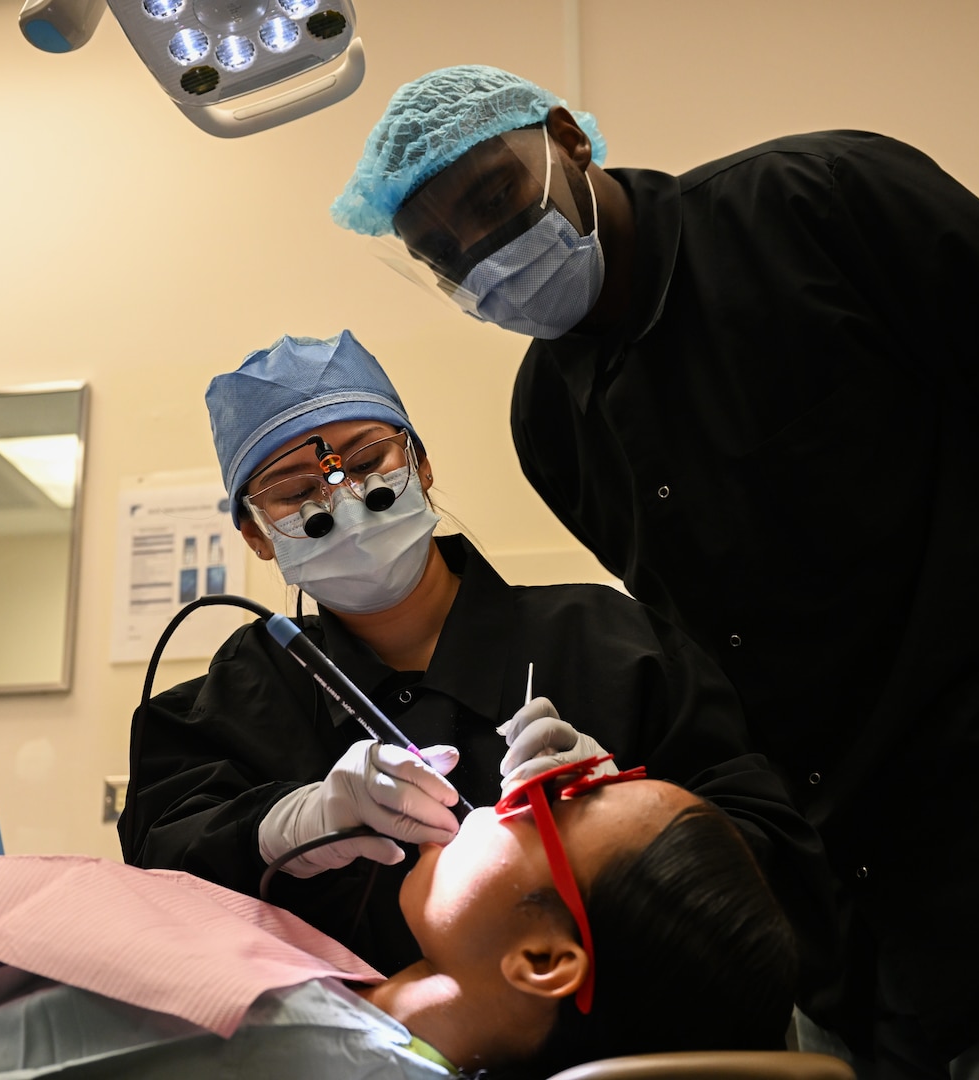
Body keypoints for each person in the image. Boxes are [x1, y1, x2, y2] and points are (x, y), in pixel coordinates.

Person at [330, 64, 979, 1079]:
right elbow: (721, 659)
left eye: (495, 202)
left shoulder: (818, 205)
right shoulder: (551, 421)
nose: (486, 256)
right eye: (444, 253)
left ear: (565, 137)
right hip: (856, 940)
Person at [117, 329, 834, 993]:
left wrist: (632, 821)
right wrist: (286, 828)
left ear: (421, 463)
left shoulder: (611, 645)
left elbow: (780, 864)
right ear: (255, 536)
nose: (345, 498)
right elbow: (156, 906)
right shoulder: (222, 713)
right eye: (296, 492)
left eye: (367, 462)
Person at [0, 766, 800, 1080]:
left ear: (547, 957)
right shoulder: (349, 1015)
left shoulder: (298, 1037)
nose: (510, 790)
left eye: (551, 806)